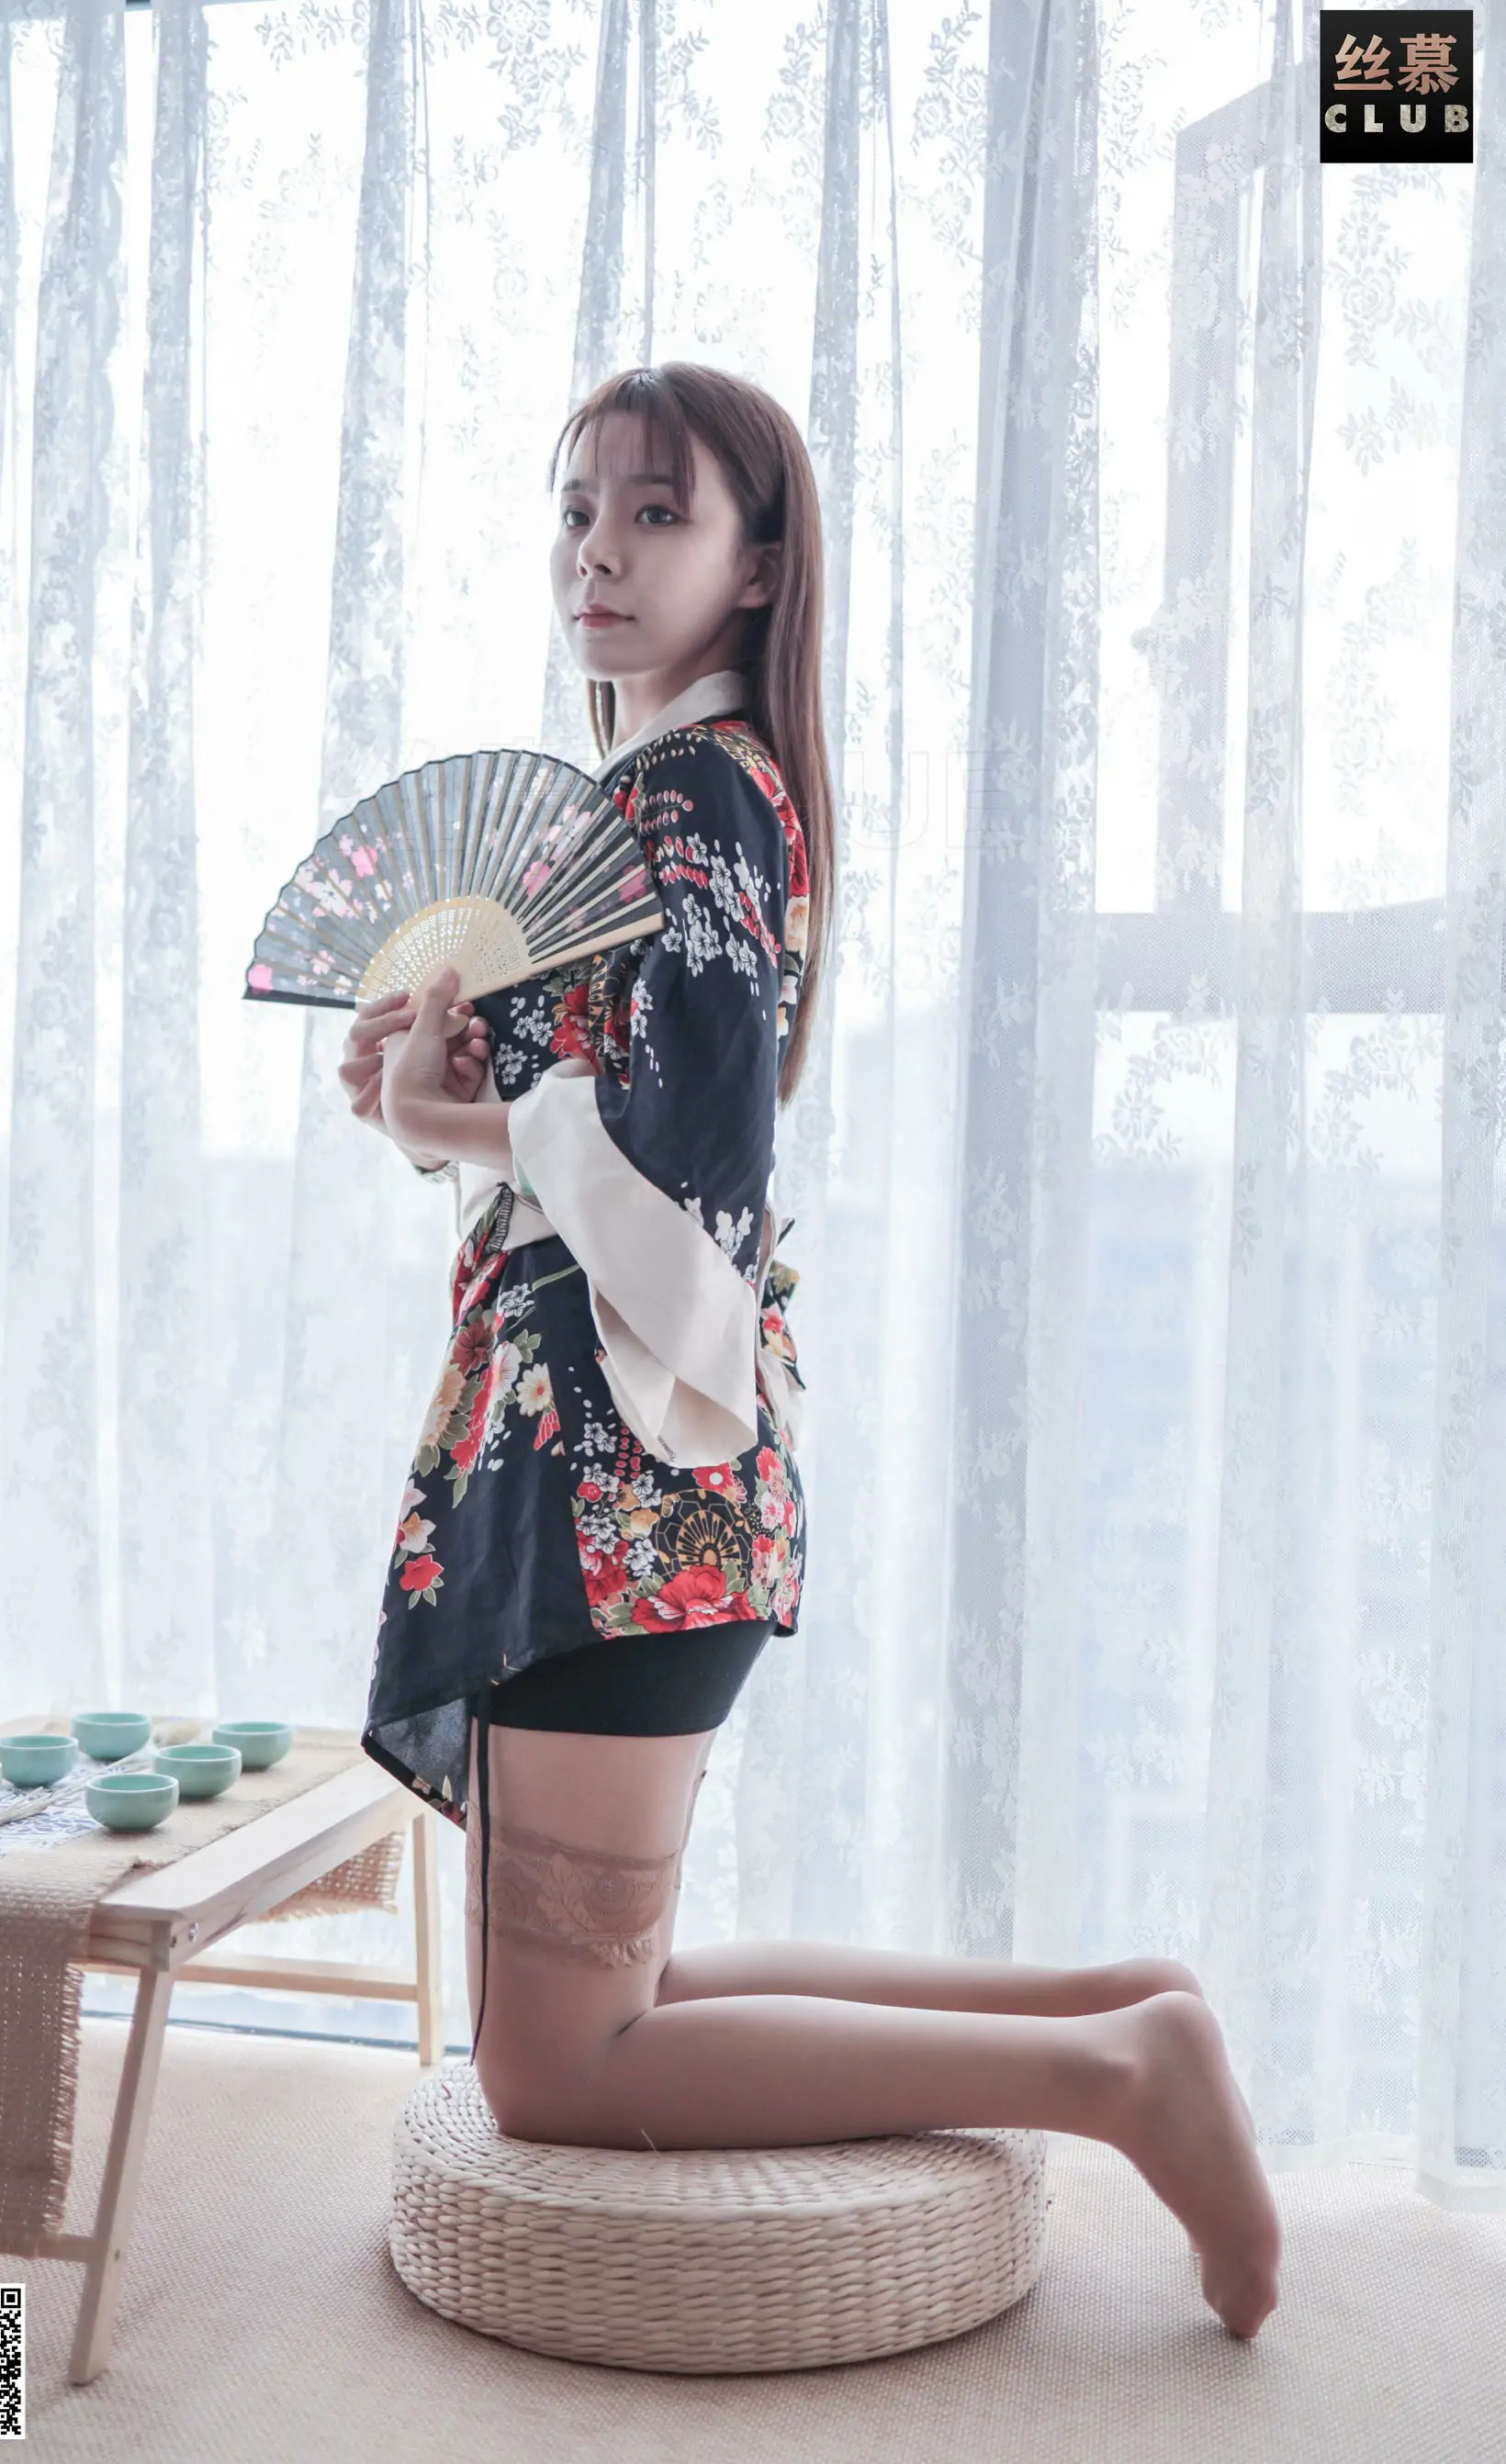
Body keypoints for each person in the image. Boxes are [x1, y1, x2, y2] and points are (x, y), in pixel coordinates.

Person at [342, 362, 1282, 2341]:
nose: (597, 552)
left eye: (655, 512)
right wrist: (453, 1091)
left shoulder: (688, 797)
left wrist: (464, 1116)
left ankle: (1118, 2077)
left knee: (558, 2066)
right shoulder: (677, 798)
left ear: (758, 567)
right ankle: (1119, 2008)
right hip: (622, 1481)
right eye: (576, 509)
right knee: (608, 2003)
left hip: (622, 1498)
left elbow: (691, 1183)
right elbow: (606, 1159)